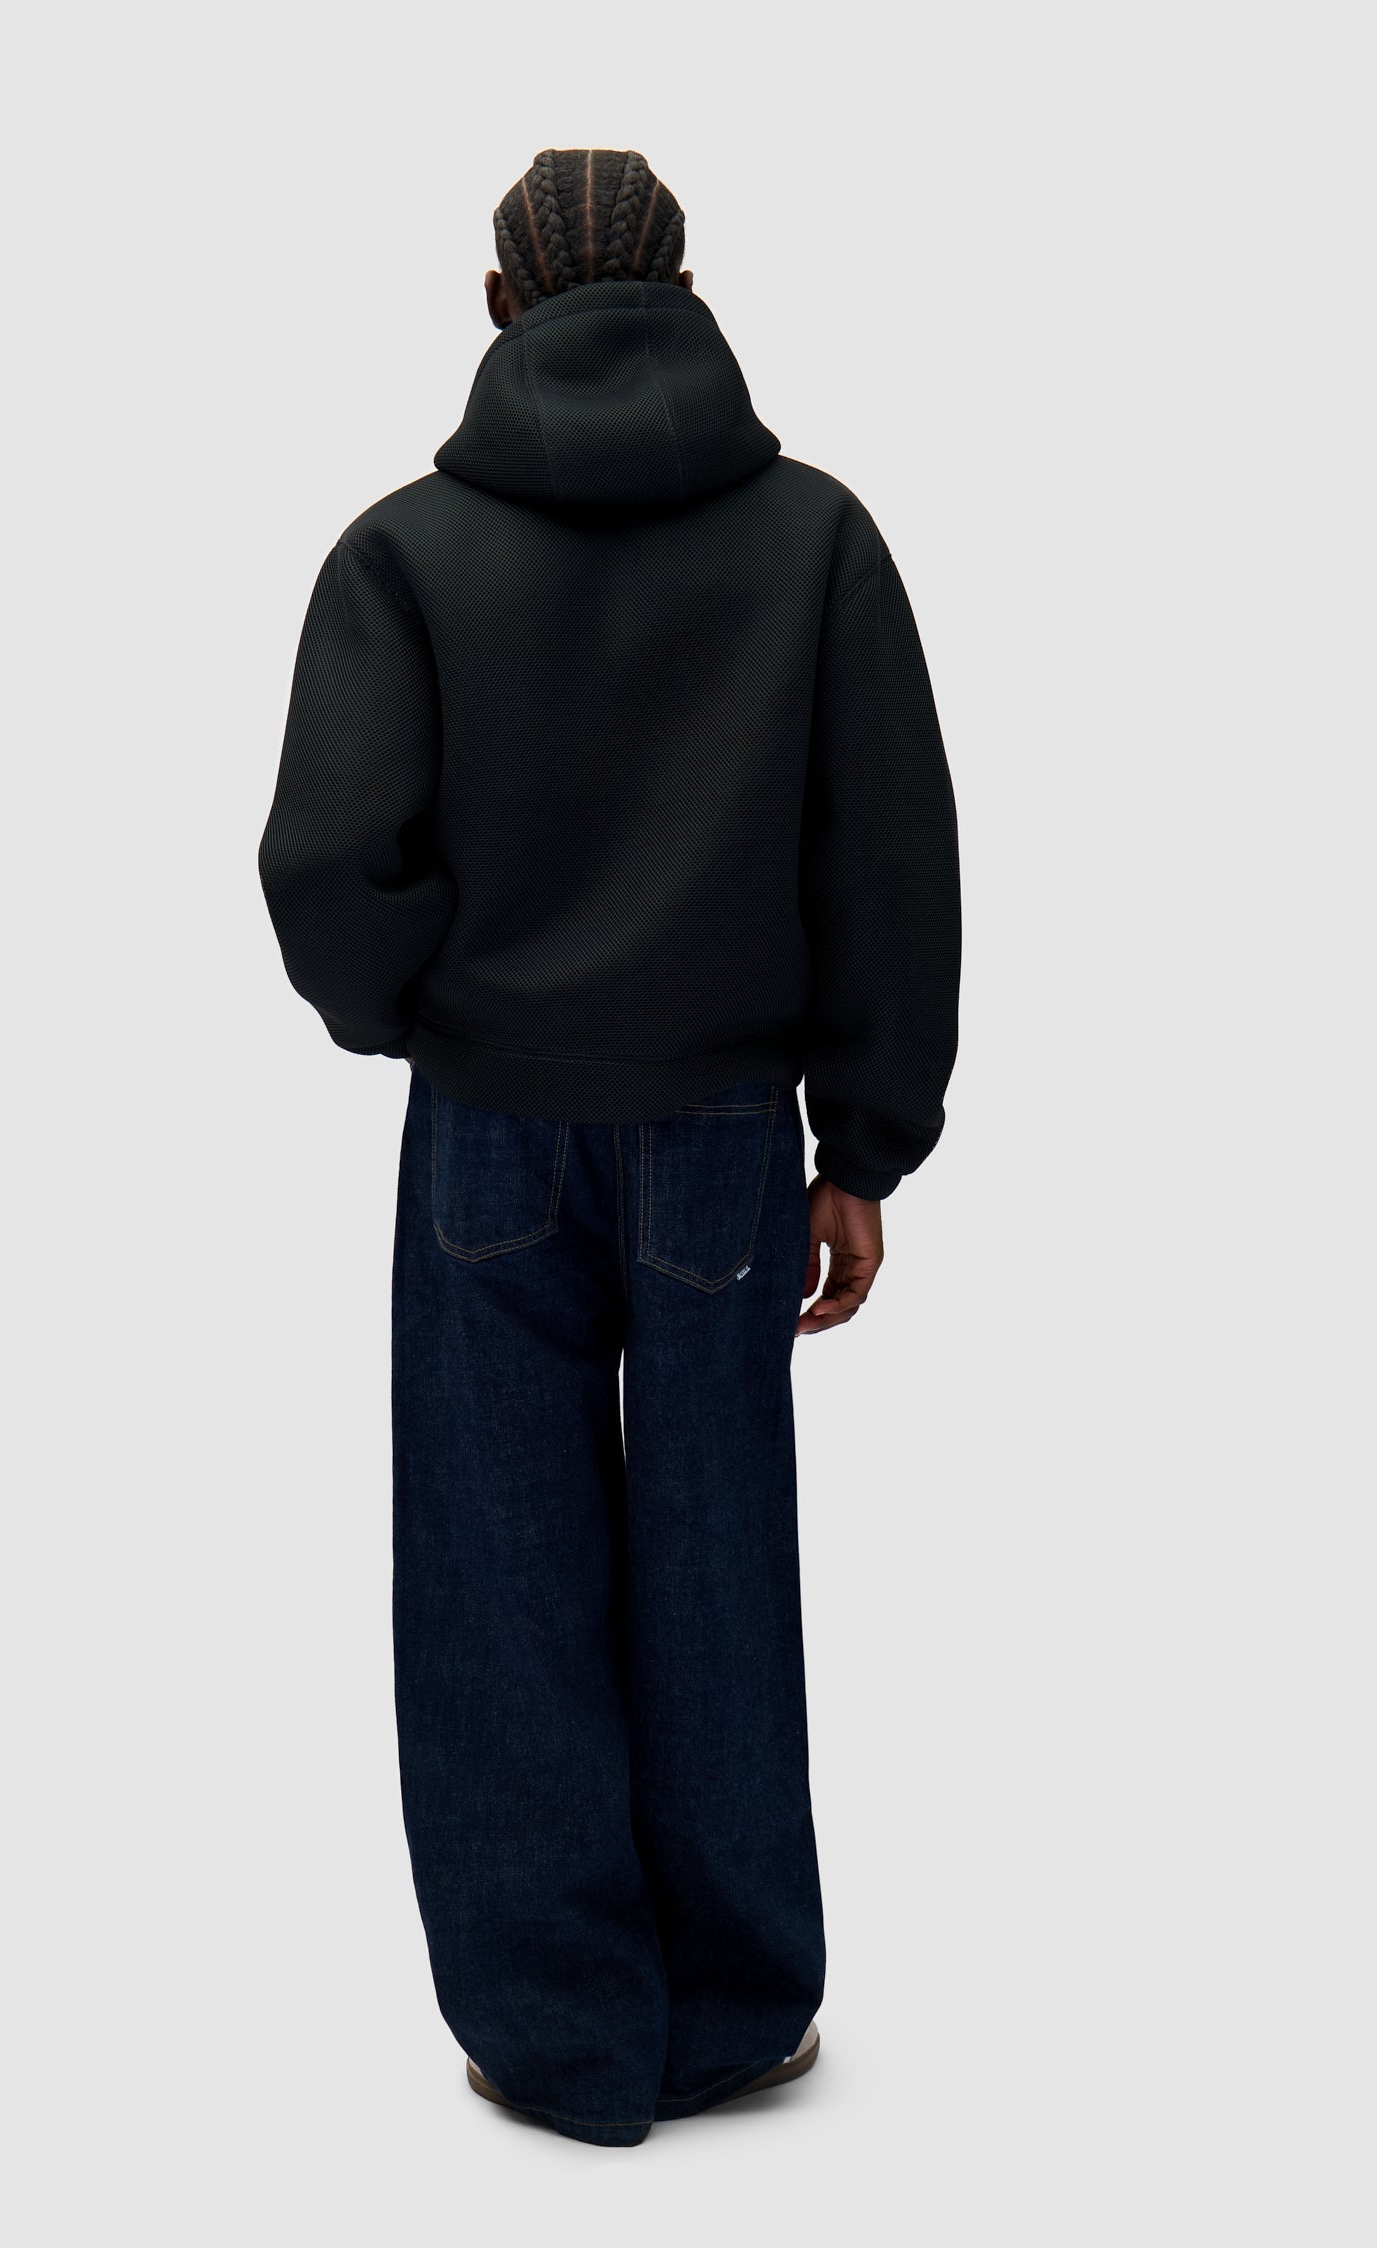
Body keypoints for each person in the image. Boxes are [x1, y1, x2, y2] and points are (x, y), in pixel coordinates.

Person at [259, 148, 961, 2148]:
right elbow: (890, 860)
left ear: (499, 303)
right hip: (729, 1132)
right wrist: (866, 1141)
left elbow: (331, 863)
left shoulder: (403, 552)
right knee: (718, 1546)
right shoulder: (816, 539)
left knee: (498, 1561)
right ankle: (734, 2010)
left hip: (492, 1124)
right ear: (687, 289)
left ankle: (556, 2028)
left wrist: (427, 1009)